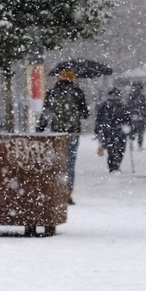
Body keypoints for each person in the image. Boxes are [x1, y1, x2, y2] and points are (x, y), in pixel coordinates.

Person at [35, 70, 89, 202]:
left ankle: (55, 190)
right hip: (73, 132)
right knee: (70, 163)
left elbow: (46, 114)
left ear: (59, 79)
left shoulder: (52, 92)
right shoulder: (77, 92)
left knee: (56, 163)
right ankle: (67, 192)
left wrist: (39, 130)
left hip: (57, 134)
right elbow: (85, 114)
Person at [94, 87, 130, 173]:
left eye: (116, 95)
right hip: (109, 131)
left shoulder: (123, 106)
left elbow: (128, 119)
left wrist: (128, 128)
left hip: (121, 132)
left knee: (121, 150)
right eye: (112, 95)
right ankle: (112, 166)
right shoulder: (105, 106)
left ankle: (117, 165)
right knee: (111, 150)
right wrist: (98, 129)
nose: (114, 96)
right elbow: (99, 118)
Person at [126, 83, 146, 150]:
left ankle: (137, 144)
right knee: (136, 132)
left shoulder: (141, 97)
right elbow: (128, 106)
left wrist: (143, 114)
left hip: (139, 117)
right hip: (135, 117)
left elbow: (145, 107)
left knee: (138, 132)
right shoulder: (133, 96)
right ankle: (136, 144)